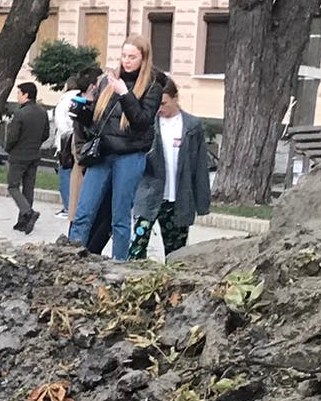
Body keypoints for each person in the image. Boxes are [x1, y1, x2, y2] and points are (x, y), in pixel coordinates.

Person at [67, 35, 165, 259]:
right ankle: (70, 259)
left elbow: (141, 122)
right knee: (84, 211)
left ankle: (119, 264)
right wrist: (82, 113)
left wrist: (124, 94)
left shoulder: (152, 86)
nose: (127, 61)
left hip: (129, 156)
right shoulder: (107, 81)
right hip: (102, 153)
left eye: (132, 57)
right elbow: (97, 121)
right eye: (124, 56)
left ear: (144, 58)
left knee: (119, 217)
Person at [129, 78, 211, 260]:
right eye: (156, 104)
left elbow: (199, 166)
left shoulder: (191, 126)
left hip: (178, 198)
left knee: (176, 254)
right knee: (137, 245)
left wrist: (202, 202)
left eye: (164, 103)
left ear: (175, 98)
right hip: (149, 194)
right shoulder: (148, 123)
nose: (160, 109)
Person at [2, 81, 51, 234]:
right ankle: (22, 222)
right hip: (34, 155)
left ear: (26, 95)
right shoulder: (42, 112)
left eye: (19, 93)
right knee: (28, 188)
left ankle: (28, 212)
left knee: (13, 186)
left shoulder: (20, 113)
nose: (17, 96)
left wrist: (8, 148)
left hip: (19, 155)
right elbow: (46, 134)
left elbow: (12, 137)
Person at [50, 67, 97, 210]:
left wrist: (68, 135)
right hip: (79, 141)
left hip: (69, 142)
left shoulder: (66, 101)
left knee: (66, 174)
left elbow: (61, 122)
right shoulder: (85, 98)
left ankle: (68, 206)